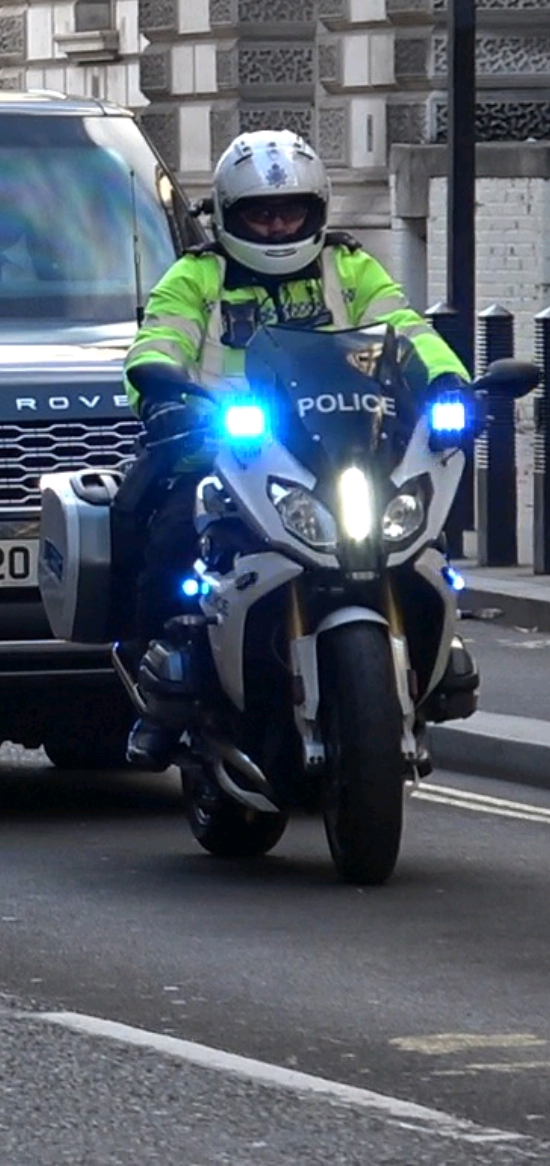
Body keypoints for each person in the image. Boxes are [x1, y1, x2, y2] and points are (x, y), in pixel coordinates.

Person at [115, 128, 475, 768]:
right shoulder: (199, 275)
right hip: (227, 449)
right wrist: (164, 391)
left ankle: (438, 664)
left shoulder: (350, 268)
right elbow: (159, 342)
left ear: (317, 210)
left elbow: (405, 328)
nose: (278, 226)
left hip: (344, 446)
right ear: (230, 215)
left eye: (292, 211)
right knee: (170, 531)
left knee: (425, 541)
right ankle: (165, 692)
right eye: (261, 212)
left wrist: (448, 383)